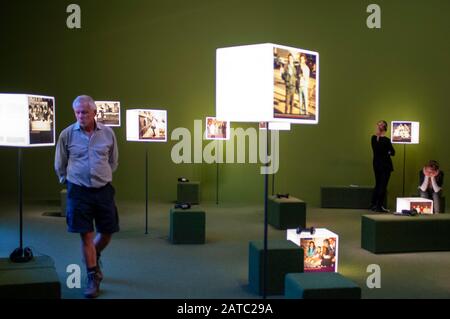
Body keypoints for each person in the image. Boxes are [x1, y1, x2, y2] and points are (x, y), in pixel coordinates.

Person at [54, 95, 119, 298]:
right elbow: (60, 163)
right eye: (78, 112)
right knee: (86, 235)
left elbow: (113, 160)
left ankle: (94, 254)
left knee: (108, 231)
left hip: (103, 190)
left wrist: (102, 174)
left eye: (85, 112)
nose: (81, 115)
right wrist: (68, 180)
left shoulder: (108, 134)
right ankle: (93, 276)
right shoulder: (67, 134)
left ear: (94, 113)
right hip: (79, 190)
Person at [370, 120, 395, 213]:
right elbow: (393, 152)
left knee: (377, 184)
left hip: (376, 165)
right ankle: (379, 206)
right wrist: (387, 152)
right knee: (383, 186)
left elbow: (376, 151)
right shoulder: (387, 140)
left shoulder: (373, 138)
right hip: (385, 165)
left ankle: (373, 204)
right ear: (385, 129)